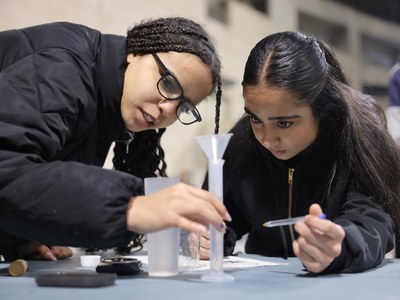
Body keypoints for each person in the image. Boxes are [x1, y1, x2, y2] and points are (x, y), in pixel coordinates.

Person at [0, 18, 231, 262]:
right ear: (136, 53)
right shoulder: (63, 64)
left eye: (183, 106)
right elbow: (6, 166)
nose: (167, 108)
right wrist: (129, 208)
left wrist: (23, 237)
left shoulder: (103, 109)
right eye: (169, 83)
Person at [200, 31, 400, 274]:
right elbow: (218, 217)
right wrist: (207, 238)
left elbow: (373, 220)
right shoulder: (242, 141)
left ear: (322, 110)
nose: (266, 138)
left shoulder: (358, 136)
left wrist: (341, 245)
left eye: (284, 123)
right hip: (259, 284)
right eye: (255, 118)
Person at [385, 55, 400, 145]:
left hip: (394, 109)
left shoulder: (394, 70)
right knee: (395, 141)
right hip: (395, 110)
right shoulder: (397, 71)